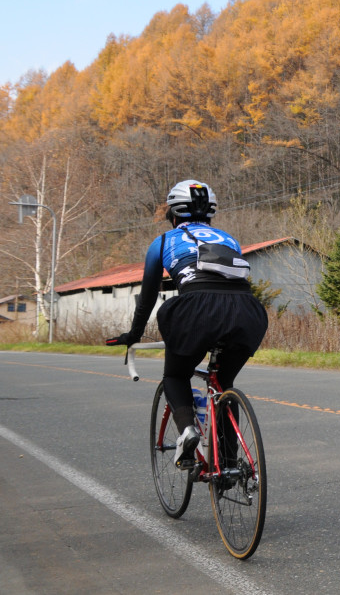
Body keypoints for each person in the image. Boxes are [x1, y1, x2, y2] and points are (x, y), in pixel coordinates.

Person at [107, 180, 268, 467]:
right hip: (247, 311)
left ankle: (187, 431)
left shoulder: (164, 242)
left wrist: (134, 334)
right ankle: (230, 464)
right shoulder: (228, 239)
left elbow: (147, 297)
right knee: (224, 383)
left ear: (173, 215)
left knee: (175, 376)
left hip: (195, 308)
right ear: (210, 215)